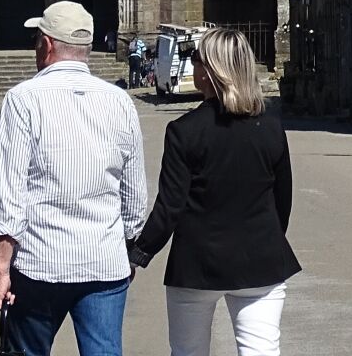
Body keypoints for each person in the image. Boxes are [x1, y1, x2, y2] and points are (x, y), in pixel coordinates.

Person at [0, 0, 147, 356]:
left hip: (40, 261)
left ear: (46, 44)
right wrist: (126, 248)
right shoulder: (120, 101)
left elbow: (8, 194)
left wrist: (0, 269)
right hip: (104, 261)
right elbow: (134, 194)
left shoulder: (23, 99)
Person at [129, 27, 301, 356]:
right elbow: (283, 199)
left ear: (210, 72)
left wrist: (139, 253)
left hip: (197, 263)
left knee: (188, 351)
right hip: (260, 259)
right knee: (261, 351)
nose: (192, 66)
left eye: (195, 59)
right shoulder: (270, 127)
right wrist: (267, 239)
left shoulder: (184, 131)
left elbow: (170, 207)